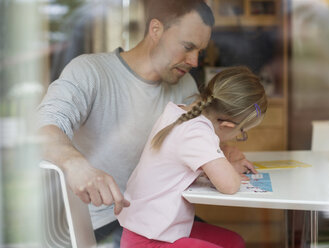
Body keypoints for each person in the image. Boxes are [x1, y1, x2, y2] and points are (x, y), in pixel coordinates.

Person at [38, 0, 255, 245]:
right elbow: (43, 129)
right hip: (104, 222)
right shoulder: (90, 71)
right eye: (187, 46)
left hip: (160, 218)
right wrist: (75, 164)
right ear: (155, 30)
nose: (194, 61)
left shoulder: (184, 86)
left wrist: (225, 155)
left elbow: (195, 145)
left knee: (232, 242)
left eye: (200, 52)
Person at [118, 66, 267, 247]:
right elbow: (229, 185)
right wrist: (230, 171)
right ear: (227, 124)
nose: (239, 138)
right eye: (242, 132)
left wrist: (228, 165)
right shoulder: (196, 131)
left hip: (152, 229)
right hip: (149, 240)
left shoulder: (181, 114)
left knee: (234, 242)